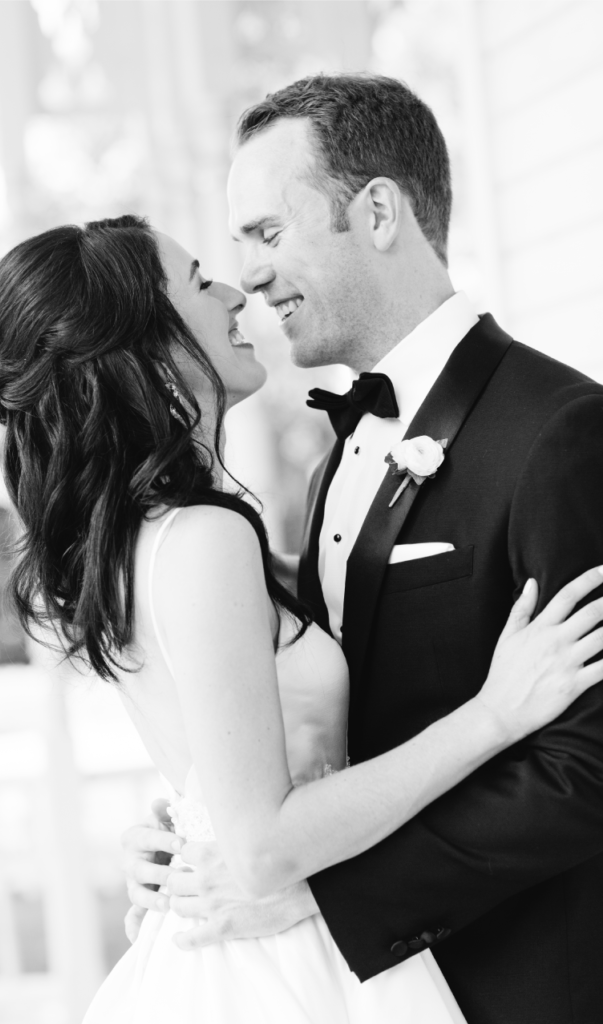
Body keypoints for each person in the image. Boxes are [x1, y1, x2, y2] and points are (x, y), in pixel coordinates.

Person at [0, 205, 603, 1023]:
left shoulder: (146, 534)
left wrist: (184, 836)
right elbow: (263, 843)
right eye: (200, 281)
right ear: (149, 347)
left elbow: (229, 771)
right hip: (284, 962)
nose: (238, 290)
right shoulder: (202, 538)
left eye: (266, 236)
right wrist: (492, 715)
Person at [120, 76, 603, 1024]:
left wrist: (326, 891)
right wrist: (205, 822)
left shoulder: (561, 432)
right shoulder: (334, 462)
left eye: (267, 233)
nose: (249, 277)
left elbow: (588, 763)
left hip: (518, 979)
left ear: (376, 210)